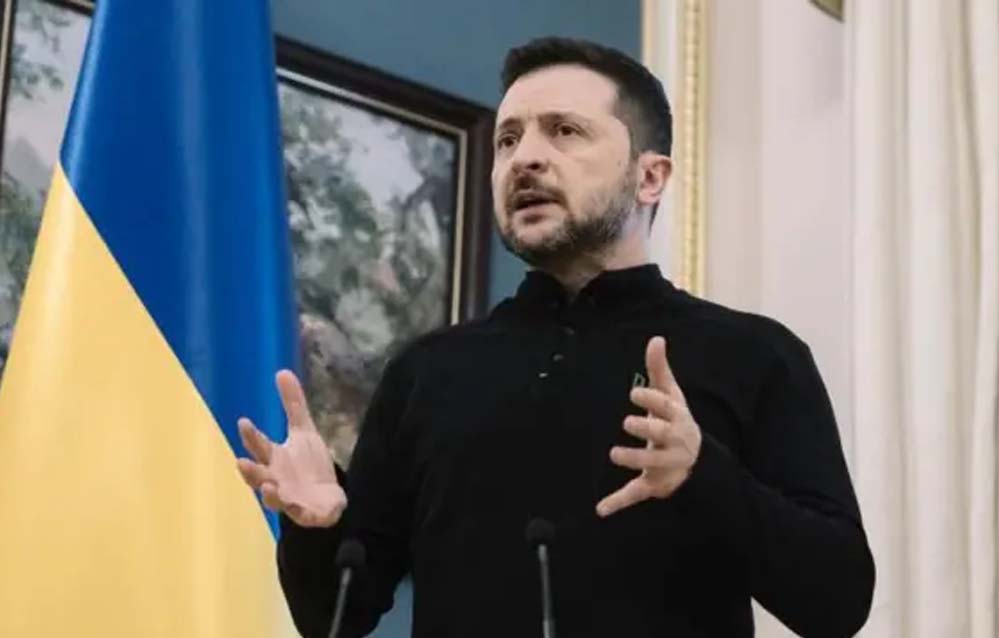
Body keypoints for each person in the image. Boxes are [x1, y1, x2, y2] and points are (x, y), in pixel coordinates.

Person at [237, 37, 875, 638]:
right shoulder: (427, 371)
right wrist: (316, 526)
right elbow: (335, 617)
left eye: (565, 131)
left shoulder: (755, 354)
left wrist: (704, 474)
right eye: (508, 140)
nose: (526, 158)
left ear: (650, 178)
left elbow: (838, 602)